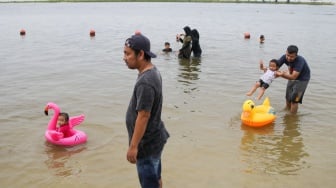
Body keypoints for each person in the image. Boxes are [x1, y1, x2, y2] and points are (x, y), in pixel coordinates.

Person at [123, 33, 170, 188]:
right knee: (155, 179)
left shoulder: (146, 82)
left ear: (141, 54)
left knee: (149, 183)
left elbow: (143, 116)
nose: (124, 57)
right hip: (155, 138)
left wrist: (133, 147)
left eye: (128, 53)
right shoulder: (152, 71)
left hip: (146, 145)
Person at [276, 45, 310, 114]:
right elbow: (275, 67)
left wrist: (281, 74)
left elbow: (293, 77)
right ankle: (287, 112)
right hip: (291, 76)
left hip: (302, 80)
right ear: (286, 52)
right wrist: (266, 70)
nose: (288, 58)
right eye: (287, 55)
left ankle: (292, 117)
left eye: (291, 57)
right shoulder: (284, 57)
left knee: (294, 100)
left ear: (296, 55)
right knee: (288, 97)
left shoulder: (300, 60)